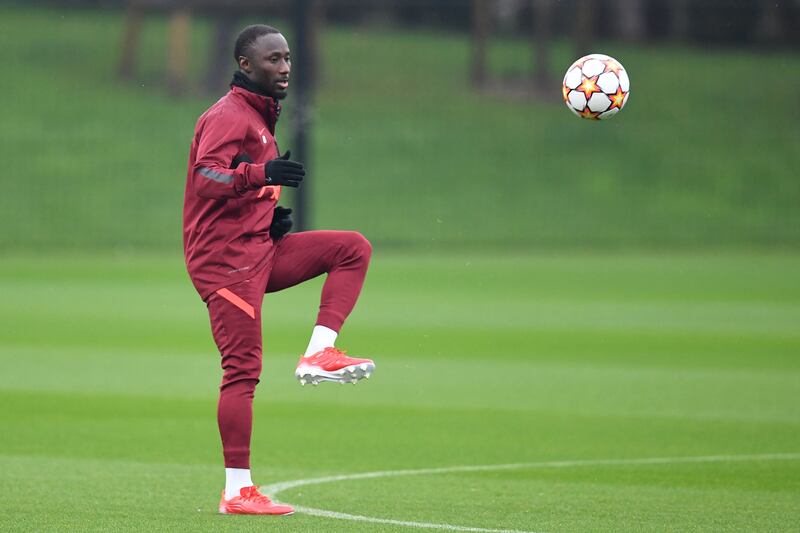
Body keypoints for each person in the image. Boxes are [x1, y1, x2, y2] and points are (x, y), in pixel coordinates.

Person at [182, 24, 375, 516]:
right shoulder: (230, 114)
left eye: (287, 58)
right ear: (246, 65)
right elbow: (206, 177)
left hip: (256, 249)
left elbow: (237, 187)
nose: (285, 67)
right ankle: (236, 491)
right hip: (225, 265)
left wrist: (267, 215)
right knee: (242, 371)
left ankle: (319, 352)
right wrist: (259, 176)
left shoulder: (259, 116)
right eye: (273, 59)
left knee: (351, 248)